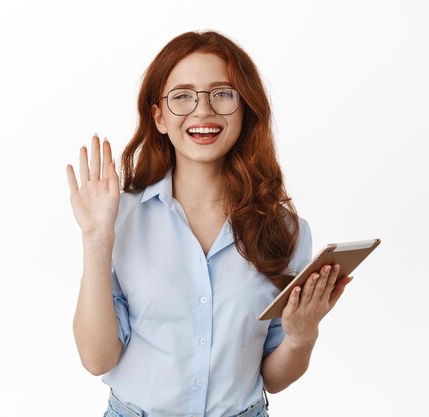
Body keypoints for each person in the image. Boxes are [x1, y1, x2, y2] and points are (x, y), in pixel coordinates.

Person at [66, 30, 352, 417]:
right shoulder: (120, 218)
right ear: (160, 117)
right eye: (183, 96)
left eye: (222, 94)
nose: (203, 111)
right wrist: (96, 238)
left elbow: (274, 377)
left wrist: (302, 336)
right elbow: (97, 359)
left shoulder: (286, 231)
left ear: (245, 109)